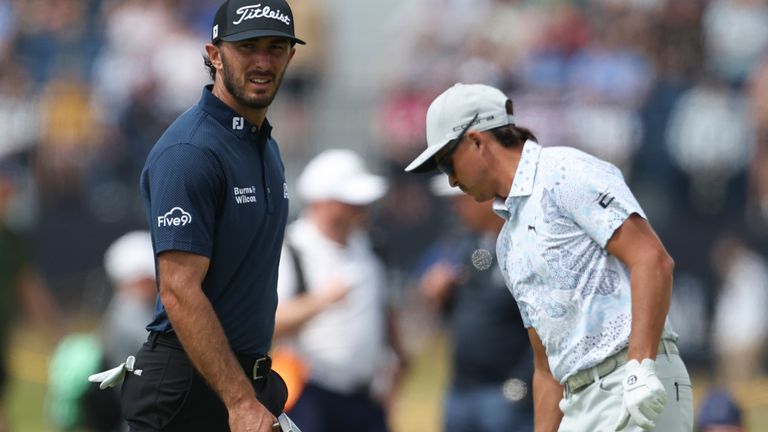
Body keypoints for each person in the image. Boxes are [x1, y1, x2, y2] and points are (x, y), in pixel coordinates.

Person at [405, 83, 693, 431]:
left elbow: (652, 259)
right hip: (578, 401)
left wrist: (640, 367)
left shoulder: (564, 172)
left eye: (448, 163)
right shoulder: (507, 243)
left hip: (634, 380)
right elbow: (546, 366)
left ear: (477, 141)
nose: (451, 181)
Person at [120, 0, 304, 430]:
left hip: (243, 383)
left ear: (291, 57)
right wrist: (239, 401)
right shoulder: (191, 151)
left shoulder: (265, 145)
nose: (262, 62)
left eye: (275, 48)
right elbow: (180, 291)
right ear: (215, 55)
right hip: (190, 391)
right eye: (247, 47)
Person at [274, 149, 407, 432]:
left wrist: (399, 361)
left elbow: (386, 313)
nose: (362, 209)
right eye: (351, 202)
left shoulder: (372, 247)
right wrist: (323, 301)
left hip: (367, 399)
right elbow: (269, 323)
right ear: (322, 202)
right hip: (309, 397)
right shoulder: (291, 248)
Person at [415, 175, 533, 432]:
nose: (456, 209)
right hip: (462, 389)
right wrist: (442, 296)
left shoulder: (523, 244)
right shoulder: (465, 246)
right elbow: (463, 315)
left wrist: (519, 388)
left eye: (461, 201)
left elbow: (541, 326)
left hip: (505, 393)